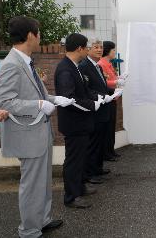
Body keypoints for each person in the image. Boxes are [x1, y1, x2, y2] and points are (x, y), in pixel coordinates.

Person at [0, 16, 72, 237]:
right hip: (28, 136)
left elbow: (38, 94)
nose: (40, 37)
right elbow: (4, 102)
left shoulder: (26, 61)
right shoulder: (12, 64)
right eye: (38, 33)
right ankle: (29, 230)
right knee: (32, 185)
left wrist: (55, 99)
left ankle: (42, 220)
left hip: (38, 133)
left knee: (43, 182)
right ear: (30, 35)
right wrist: (39, 104)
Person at [55, 33, 103, 208]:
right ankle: (71, 196)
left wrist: (98, 98)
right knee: (74, 161)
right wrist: (92, 105)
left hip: (81, 123)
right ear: (79, 49)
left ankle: (80, 187)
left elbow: (83, 91)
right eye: (87, 47)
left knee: (81, 158)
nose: (89, 50)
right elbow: (69, 98)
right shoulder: (65, 69)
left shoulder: (74, 66)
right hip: (74, 124)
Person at [79, 38, 114, 185]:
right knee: (93, 144)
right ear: (88, 49)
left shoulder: (98, 66)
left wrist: (112, 91)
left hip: (103, 109)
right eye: (95, 47)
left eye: (100, 47)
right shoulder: (84, 66)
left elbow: (102, 85)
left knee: (100, 141)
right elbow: (86, 89)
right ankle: (90, 173)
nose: (99, 49)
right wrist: (101, 96)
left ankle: (98, 168)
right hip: (94, 110)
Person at [98, 41, 127, 159]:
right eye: (113, 50)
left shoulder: (109, 64)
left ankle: (110, 150)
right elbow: (103, 82)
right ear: (108, 51)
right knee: (107, 127)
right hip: (107, 98)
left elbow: (112, 77)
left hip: (113, 97)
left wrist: (120, 77)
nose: (115, 52)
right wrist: (116, 82)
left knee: (111, 126)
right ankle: (106, 153)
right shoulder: (101, 64)